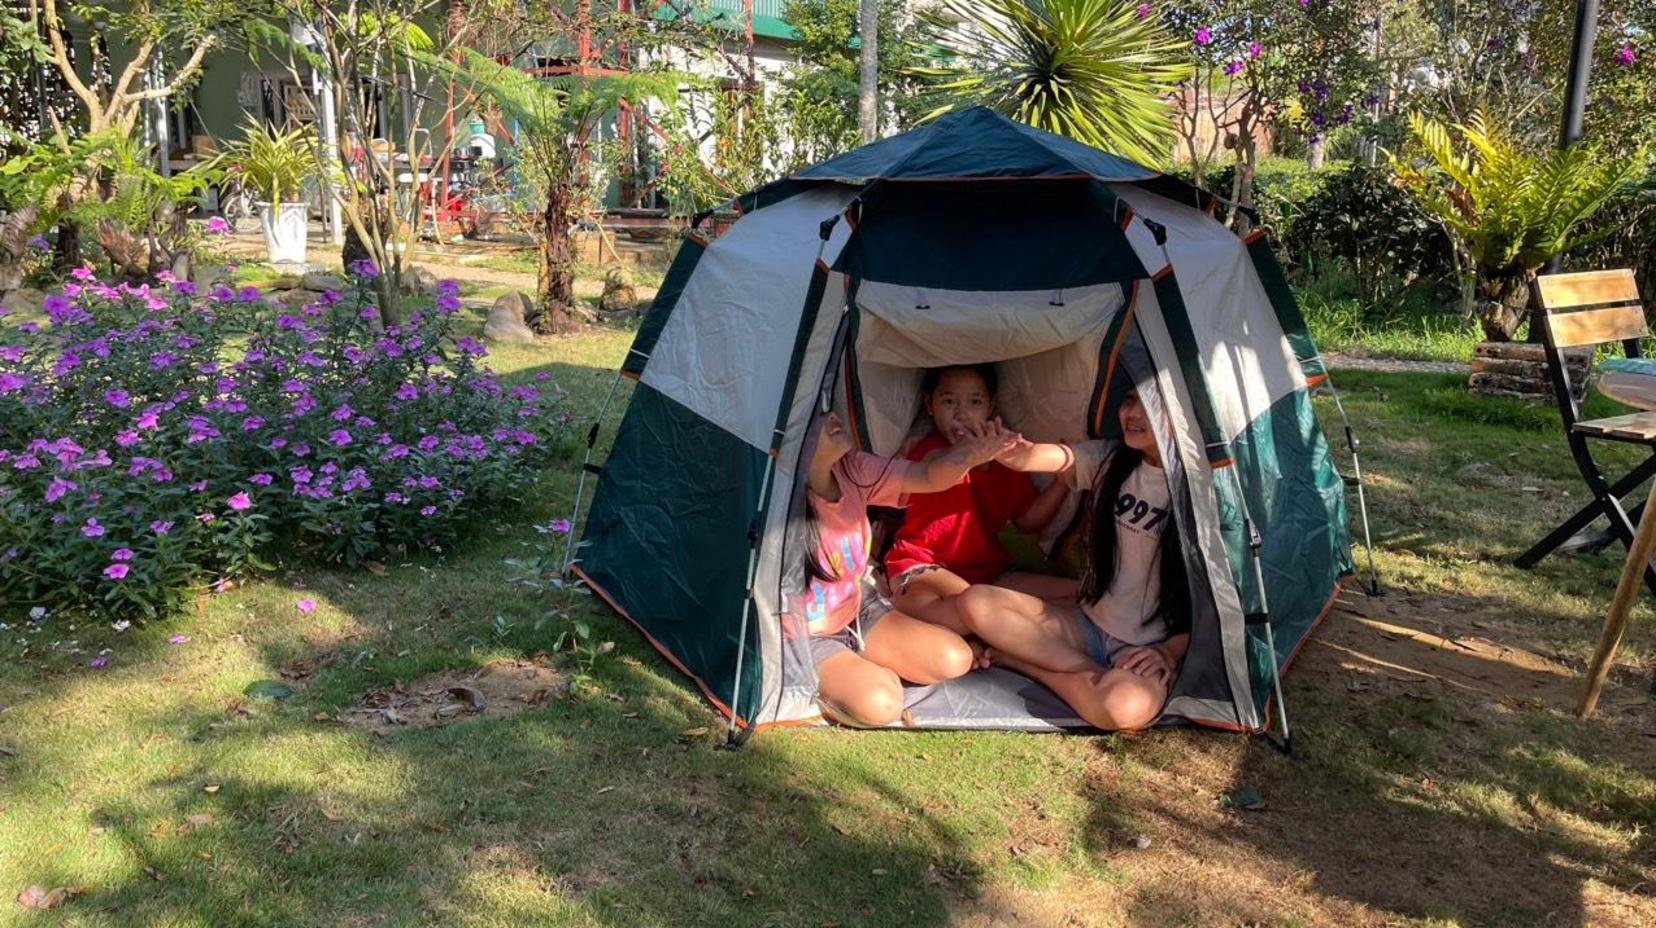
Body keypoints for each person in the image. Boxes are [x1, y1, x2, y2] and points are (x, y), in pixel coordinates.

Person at [958, 389, 1190, 731]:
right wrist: (1012, 451)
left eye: (1152, 404)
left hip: (1145, 648)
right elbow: (1050, 458)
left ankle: (1023, 661)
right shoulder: (1113, 459)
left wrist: (1169, 653)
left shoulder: (1200, 488)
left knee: (1121, 710)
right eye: (1129, 401)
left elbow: (1215, 601)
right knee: (975, 601)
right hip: (1089, 623)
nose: (1134, 414)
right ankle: (1090, 676)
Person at [794, 409, 1019, 727]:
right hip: (807, 633)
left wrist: (970, 455)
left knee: (956, 658)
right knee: (881, 706)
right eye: (813, 413)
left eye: (826, 407)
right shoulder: (776, 498)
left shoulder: (852, 469)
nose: (831, 415)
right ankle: (857, 674)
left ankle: (863, 664)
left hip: (858, 611)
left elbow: (927, 474)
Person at [885, 365, 1074, 636]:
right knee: (977, 610)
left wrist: (1062, 481)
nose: (961, 414)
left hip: (989, 574)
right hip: (925, 567)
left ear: (991, 406)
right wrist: (973, 454)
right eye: (949, 401)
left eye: (975, 402)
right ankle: (1000, 640)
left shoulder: (1002, 462)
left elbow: (1028, 520)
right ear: (930, 404)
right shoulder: (928, 450)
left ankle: (996, 638)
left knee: (1079, 595)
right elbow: (936, 468)